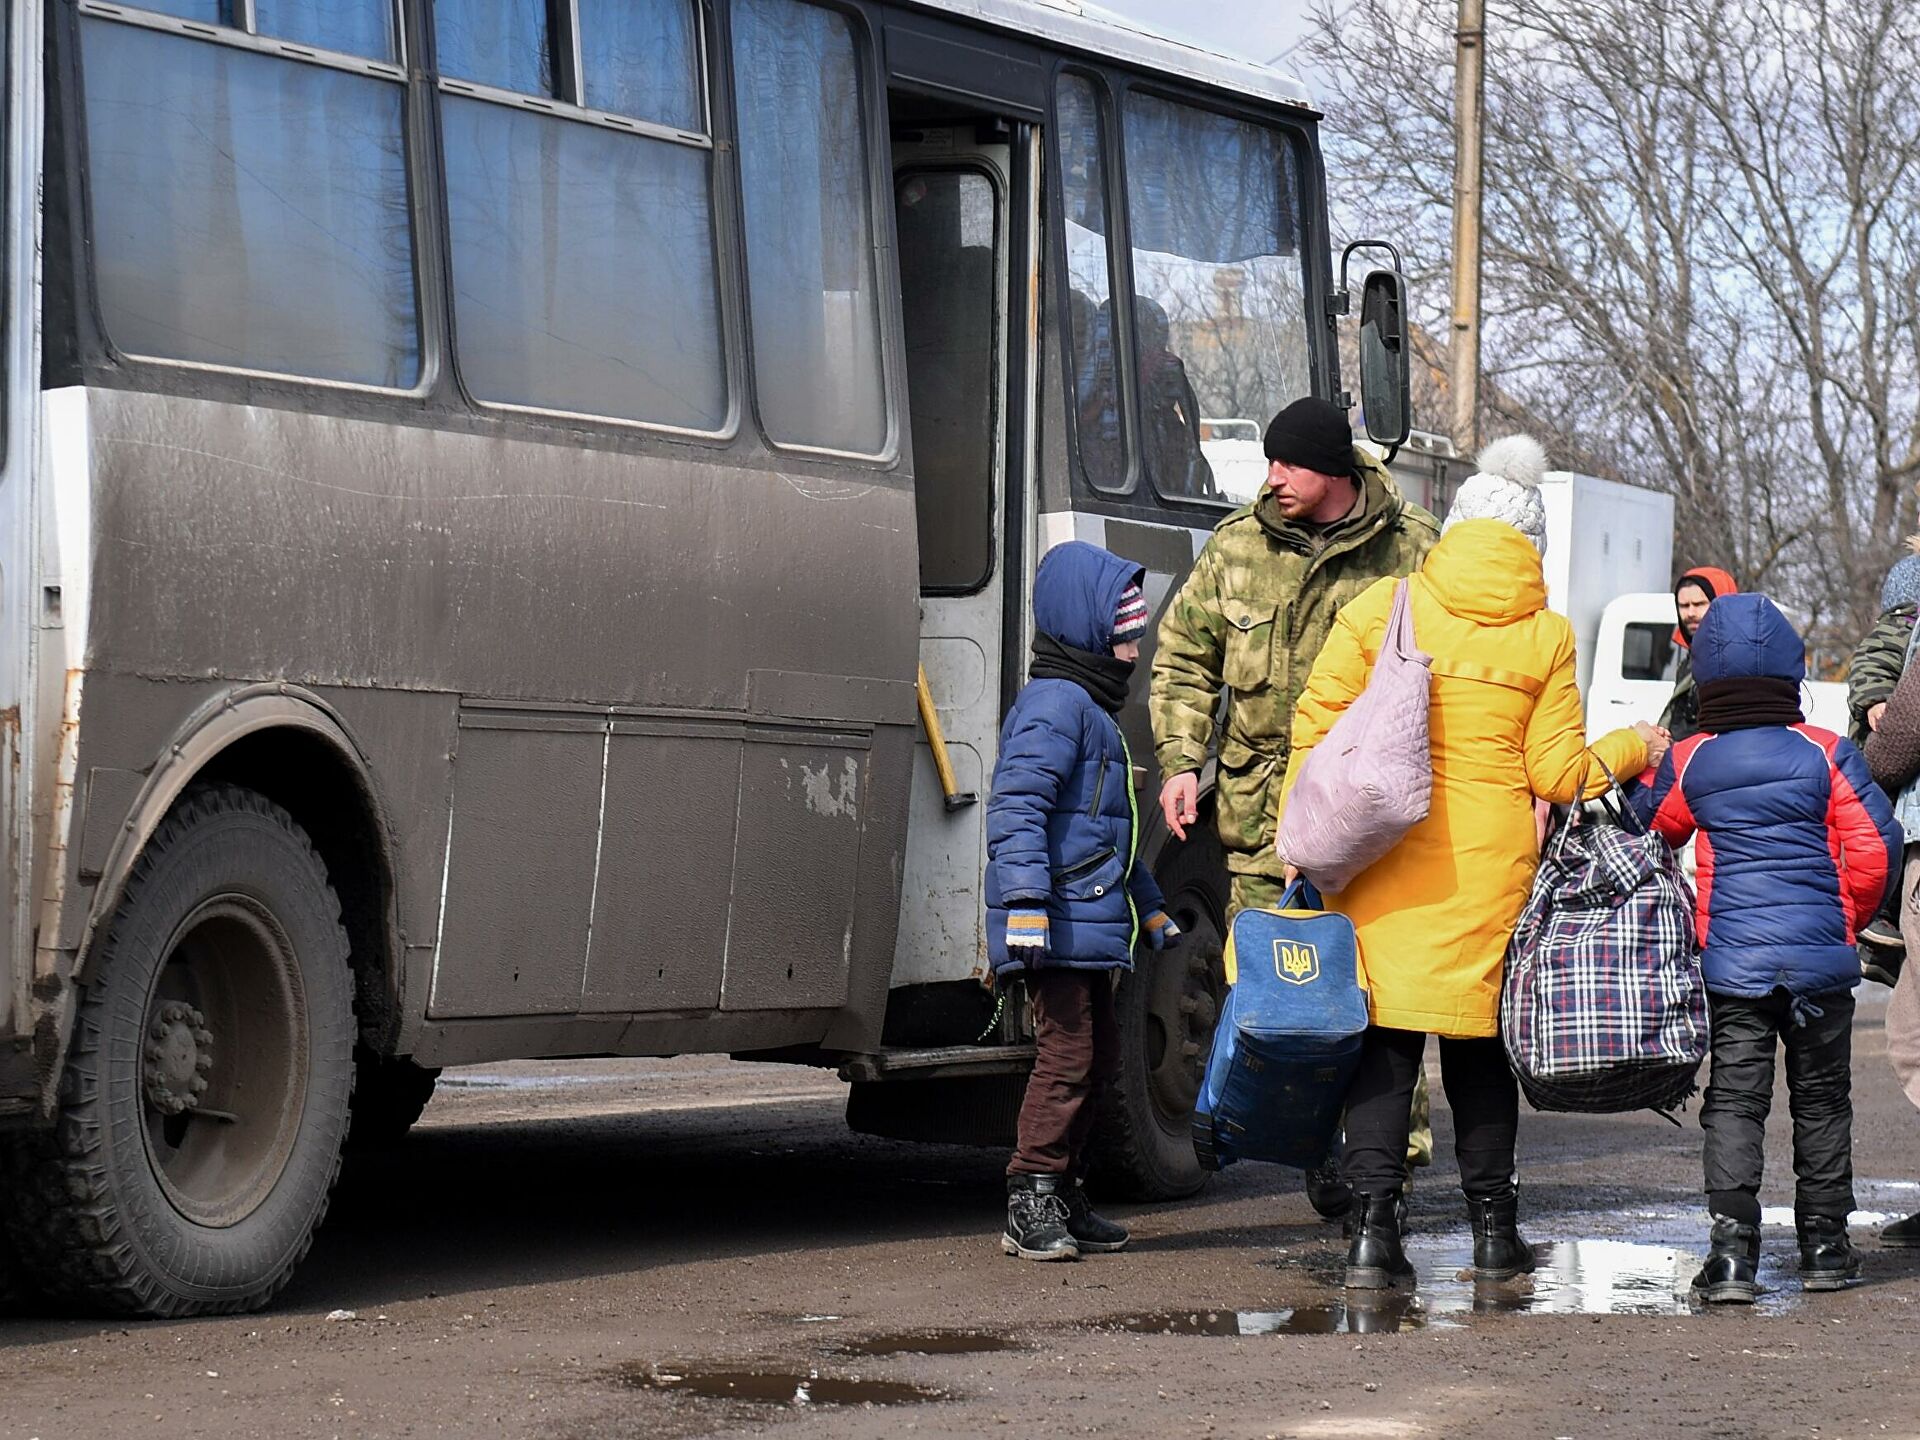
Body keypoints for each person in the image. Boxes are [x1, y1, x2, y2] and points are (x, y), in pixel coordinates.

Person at [1282, 434, 1658, 1290]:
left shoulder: (1388, 605)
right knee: (1481, 1053)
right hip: (1491, 873)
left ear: (1454, 529)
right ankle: (1495, 1235)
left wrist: (1311, 834)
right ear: (1533, 550)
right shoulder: (1548, 634)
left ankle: (1374, 1237)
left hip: (1381, 858)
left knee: (1385, 1046)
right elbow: (1557, 775)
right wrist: (1639, 742)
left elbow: (1314, 729)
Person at [1150, 394, 1439, 1218]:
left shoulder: (1413, 550)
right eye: (1269, 462)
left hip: (1372, 827)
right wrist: (1180, 762)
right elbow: (1182, 659)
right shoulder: (1237, 547)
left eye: (1289, 464)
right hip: (1257, 817)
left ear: (1334, 471)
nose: (1271, 477)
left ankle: (1380, 1169)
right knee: (1272, 989)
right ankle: (1276, 1136)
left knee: (1375, 995)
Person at [1639, 593, 1900, 1303]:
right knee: (1821, 1104)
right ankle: (1824, 1246)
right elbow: (1876, 847)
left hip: (1734, 967)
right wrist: (1844, 917)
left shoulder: (1694, 760)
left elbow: (1654, 832)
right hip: (1820, 966)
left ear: (1707, 677)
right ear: (1792, 671)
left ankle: (1730, 1257)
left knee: (1734, 1104)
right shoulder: (1826, 751)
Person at [986, 541, 1182, 1262]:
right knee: (1066, 1058)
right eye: (1124, 633)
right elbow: (1016, 807)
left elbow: (1109, 839)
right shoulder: (1056, 706)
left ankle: (1065, 1192)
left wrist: (1152, 907)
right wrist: (1027, 901)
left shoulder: (1092, 711)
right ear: (1086, 631)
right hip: (1054, 925)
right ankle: (1030, 1195)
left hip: (1086, 922)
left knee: (1095, 1061)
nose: (1135, 649)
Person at [1660, 566, 1739, 742]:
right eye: (1683, 606)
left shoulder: (1735, 662)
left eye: (1699, 604)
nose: (1690, 613)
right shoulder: (1689, 662)